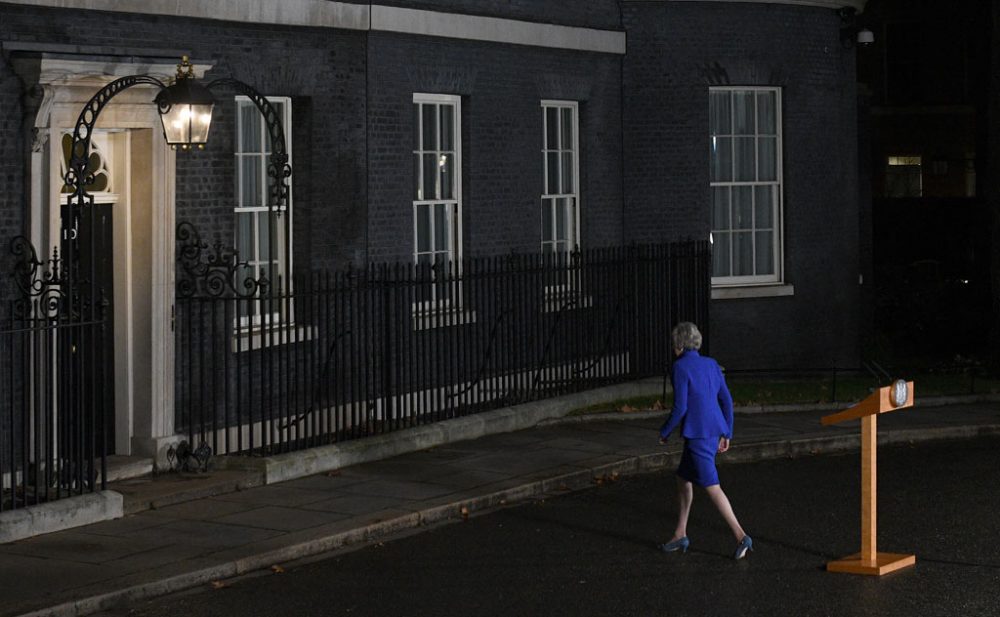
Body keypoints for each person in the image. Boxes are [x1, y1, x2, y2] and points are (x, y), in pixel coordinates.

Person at [657, 322, 752, 560]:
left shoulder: (680, 367)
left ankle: (741, 536)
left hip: (698, 435)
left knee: (713, 488)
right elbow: (727, 401)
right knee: (683, 479)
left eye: (674, 344)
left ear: (678, 345)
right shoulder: (711, 364)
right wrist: (727, 432)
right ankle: (680, 533)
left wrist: (665, 431)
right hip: (712, 431)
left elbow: (680, 407)